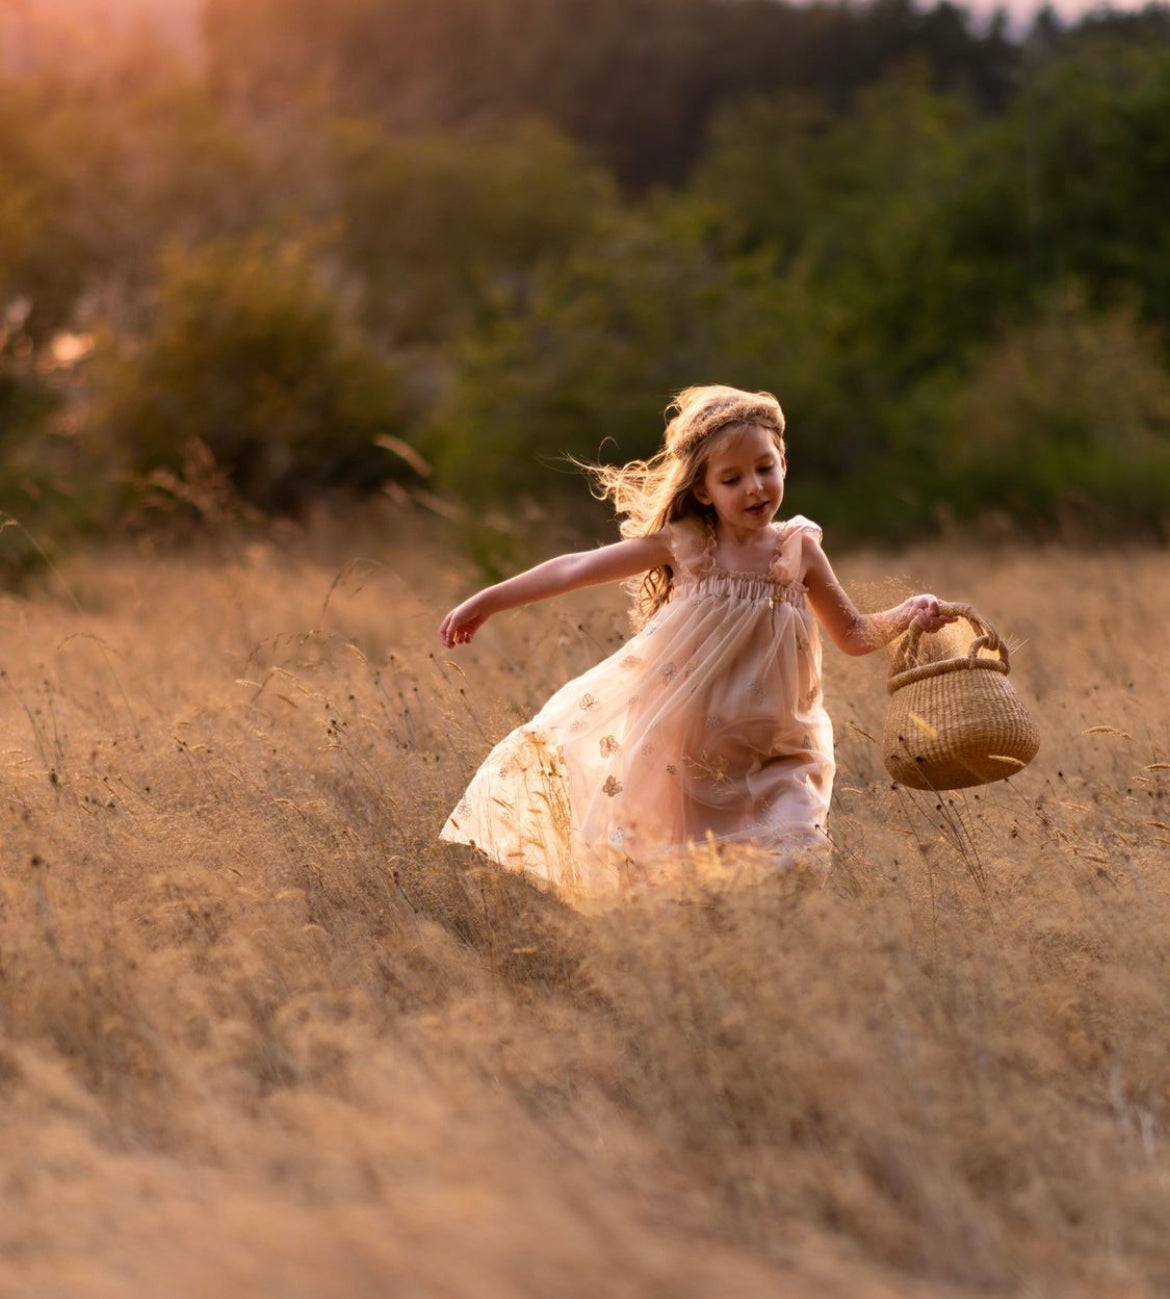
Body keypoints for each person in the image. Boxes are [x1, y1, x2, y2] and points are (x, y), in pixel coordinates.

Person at [438, 384, 953, 901]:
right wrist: (487, 601)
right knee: (682, 887)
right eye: (732, 479)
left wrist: (907, 615)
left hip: (777, 748)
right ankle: (691, 969)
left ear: (783, 464)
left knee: (794, 858)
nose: (754, 488)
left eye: (765, 468)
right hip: (682, 752)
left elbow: (854, 634)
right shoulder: (689, 545)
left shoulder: (799, 551)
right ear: (704, 490)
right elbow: (576, 567)